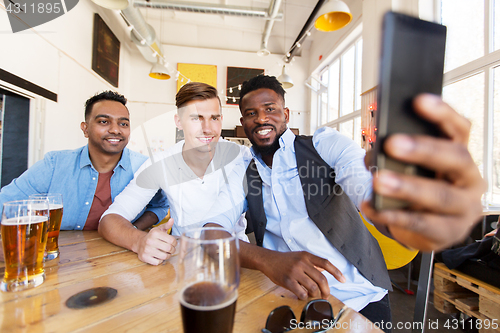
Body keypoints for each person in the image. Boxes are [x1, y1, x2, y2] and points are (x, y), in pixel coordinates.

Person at [205, 75, 485, 331]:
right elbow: (210, 234)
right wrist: (270, 260)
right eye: (251, 114)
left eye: (270, 109)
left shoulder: (325, 146)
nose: (261, 119)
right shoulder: (240, 170)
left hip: (359, 297)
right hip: (290, 300)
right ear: (243, 124)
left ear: (286, 114)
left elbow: (365, 189)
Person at [98, 82, 251, 265]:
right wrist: (139, 241)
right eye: (196, 118)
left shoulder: (243, 157)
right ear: (178, 121)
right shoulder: (160, 163)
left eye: (214, 118)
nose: (208, 128)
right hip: (182, 261)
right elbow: (109, 220)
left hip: (237, 259)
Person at [0, 91, 168, 230]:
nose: (116, 129)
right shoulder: (55, 164)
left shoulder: (145, 167)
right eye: (104, 121)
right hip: (62, 256)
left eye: (123, 124)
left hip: (121, 253)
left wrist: (132, 230)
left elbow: (160, 206)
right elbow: (6, 203)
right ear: (85, 129)